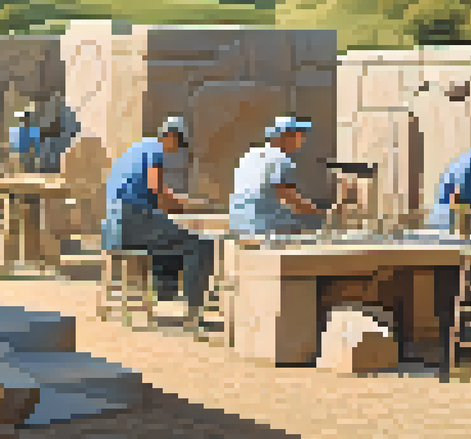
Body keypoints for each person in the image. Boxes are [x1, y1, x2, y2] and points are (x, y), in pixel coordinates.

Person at [101, 116, 214, 325]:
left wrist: (174, 201)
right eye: (178, 143)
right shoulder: (156, 151)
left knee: (169, 239)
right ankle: (194, 313)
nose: (177, 150)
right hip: (131, 221)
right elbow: (157, 190)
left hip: (113, 226)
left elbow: (151, 192)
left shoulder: (137, 148)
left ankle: (165, 293)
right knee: (200, 244)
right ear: (170, 136)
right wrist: (185, 206)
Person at [229, 116, 328, 235]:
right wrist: (321, 214)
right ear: (284, 137)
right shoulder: (280, 159)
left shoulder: (250, 155)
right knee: (305, 228)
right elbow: (289, 197)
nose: (302, 140)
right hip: (261, 226)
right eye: (298, 136)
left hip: (238, 223)